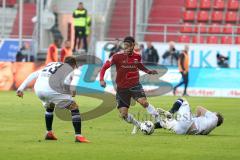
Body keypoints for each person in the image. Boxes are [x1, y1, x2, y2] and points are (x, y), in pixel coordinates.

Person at [16, 56, 89, 143]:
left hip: (39, 89)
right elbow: (67, 82)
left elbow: (33, 74)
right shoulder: (70, 69)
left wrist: (20, 89)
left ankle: (49, 133)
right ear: (73, 65)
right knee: (74, 107)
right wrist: (72, 91)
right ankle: (78, 136)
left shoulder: (51, 64)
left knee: (50, 105)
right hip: (51, 90)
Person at [99, 36, 161, 134]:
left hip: (135, 85)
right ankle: (138, 125)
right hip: (122, 88)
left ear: (133, 45)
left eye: (128, 45)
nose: (126, 47)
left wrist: (148, 71)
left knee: (143, 102)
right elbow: (104, 67)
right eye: (125, 45)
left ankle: (157, 117)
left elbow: (139, 65)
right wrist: (101, 79)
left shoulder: (137, 56)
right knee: (123, 114)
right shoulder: (116, 56)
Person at [154, 98, 224, 135]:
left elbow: (199, 108)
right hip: (182, 131)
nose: (212, 112)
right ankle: (151, 126)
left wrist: (197, 116)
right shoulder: (208, 131)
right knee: (166, 122)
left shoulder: (215, 118)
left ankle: (170, 112)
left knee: (183, 100)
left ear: (216, 115)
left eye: (214, 112)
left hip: (187, 123)